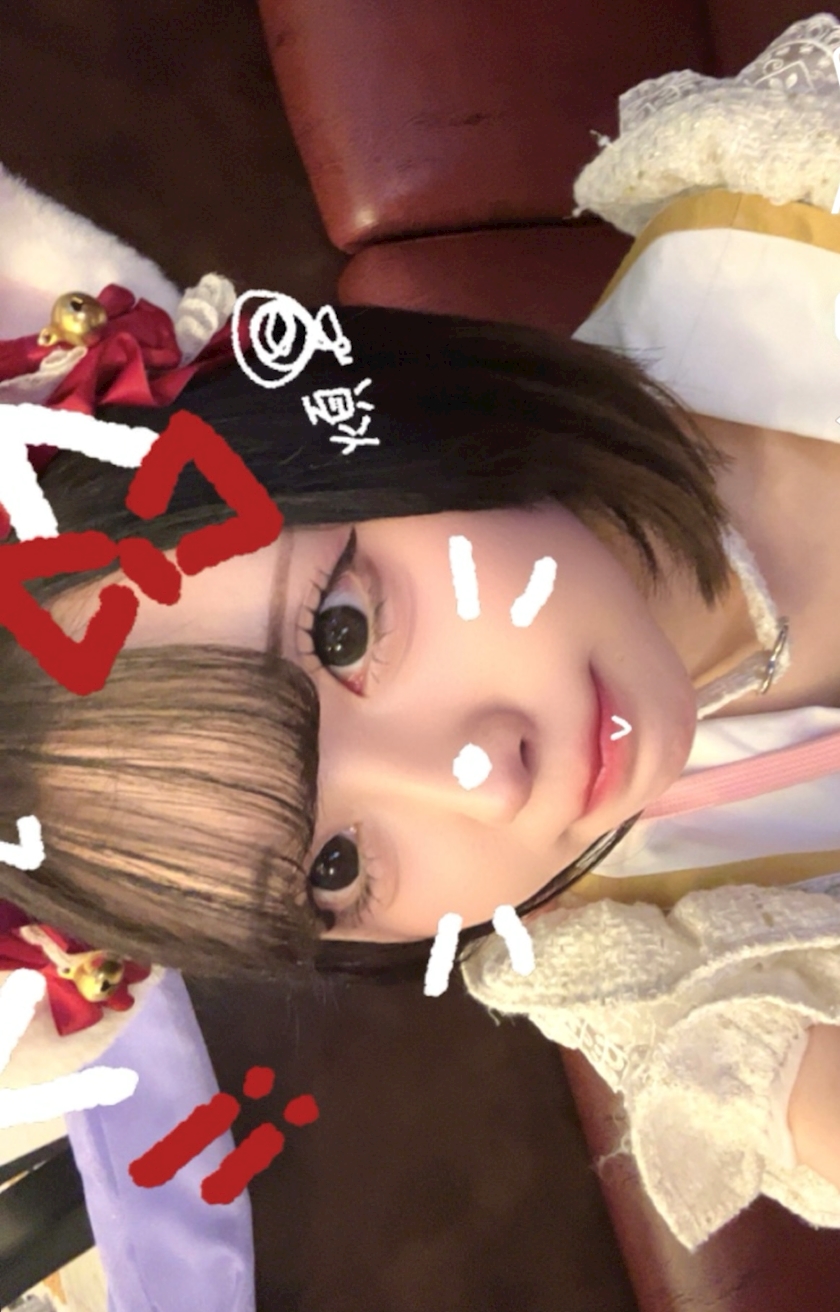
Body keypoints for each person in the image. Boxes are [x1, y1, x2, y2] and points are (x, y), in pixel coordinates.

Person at [3, 11, 840, 1303]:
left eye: (345, 632)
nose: (480, 780)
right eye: (333, 869)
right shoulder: (657, 947)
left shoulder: (789, 215)